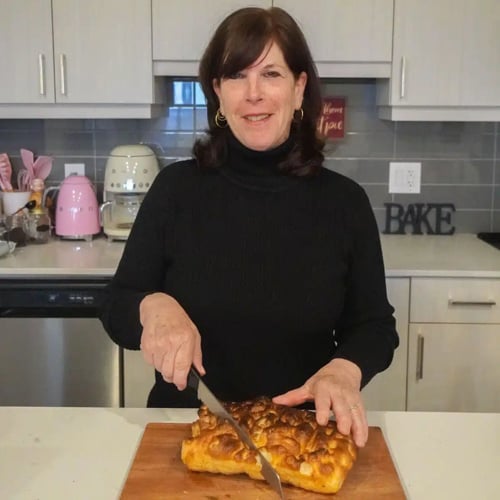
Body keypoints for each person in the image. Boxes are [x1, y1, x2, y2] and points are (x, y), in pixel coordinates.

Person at [99, 6, 398, 448]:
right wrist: (153, 306)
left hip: (299, 439)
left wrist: (343, 369)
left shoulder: (344, 203)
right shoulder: (175, 190)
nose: (253, 93)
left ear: (299, 89)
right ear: (218, 92)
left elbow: (374, 326)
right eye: (237, 76)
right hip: (186, 430)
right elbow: (116, 307)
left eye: (271, 74)